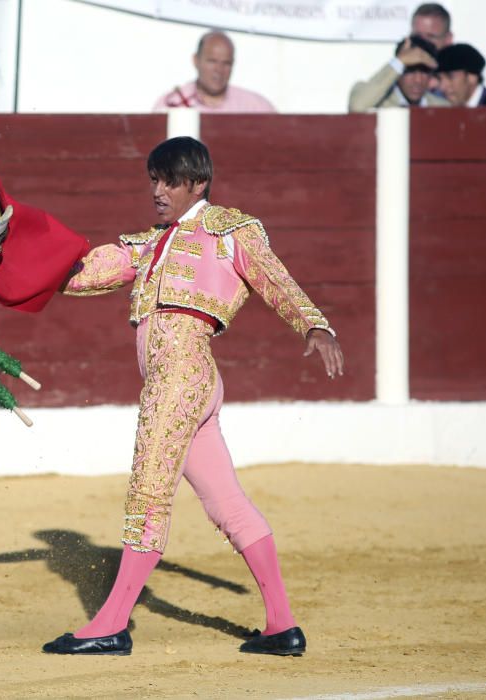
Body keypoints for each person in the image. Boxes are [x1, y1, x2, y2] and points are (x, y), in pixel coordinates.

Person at [42, 136, 344, 657]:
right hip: (183, 379)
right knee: (227, 503)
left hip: (180, 376)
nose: (157, 190)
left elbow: (274, 277)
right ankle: (281, 626)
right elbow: (83, 273)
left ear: (197, 182)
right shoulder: (150, 242)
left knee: (148, 492)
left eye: (169, 181)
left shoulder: (229, 229)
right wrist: (14, 260)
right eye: (153, 180)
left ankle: (112, 623)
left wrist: (313, 325)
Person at [152, 31, 275, 113]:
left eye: (226, 63)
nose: (219, 70)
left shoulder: (256, 107)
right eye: (212, 61)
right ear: (196, 60)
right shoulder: (171, 104)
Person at [348, 35, 450, 111]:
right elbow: (357, 106)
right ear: (398, 71)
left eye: (424, 71)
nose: (418, 80)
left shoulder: (442, 107)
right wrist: (399, 61)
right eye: (410, 70)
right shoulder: (379, 102)